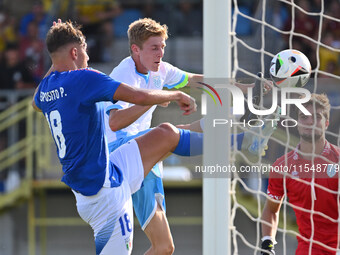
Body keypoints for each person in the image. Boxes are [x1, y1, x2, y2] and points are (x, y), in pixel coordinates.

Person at [104, 18, 277, 255]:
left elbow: (197, 80)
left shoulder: (160, 70)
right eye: (155, 48)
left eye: (163, 46)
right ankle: (244, 140)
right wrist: (159, 97)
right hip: (119, 156)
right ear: (136, 49)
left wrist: (246, 87)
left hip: (146, 159)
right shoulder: (123, 75)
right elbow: (114, 123)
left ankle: (229, 132)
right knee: (169, 132)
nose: (161, 53)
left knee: (164, 247)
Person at [32, 20, 205, 255]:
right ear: (74, 52)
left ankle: (232, 140)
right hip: (104, 195)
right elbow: (137, 97)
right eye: (84, 51)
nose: (87, 57)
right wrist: (174, 94)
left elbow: (35, 102)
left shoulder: (45, 90)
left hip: (109, 171)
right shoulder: (84, 78)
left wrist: (56, 58)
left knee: (166, 134)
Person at [261, 93, 339, 255]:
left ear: (326, 123)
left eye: (316, 117)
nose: (310, 122)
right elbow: (271, 209)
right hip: (308, 250)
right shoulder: (282, 167)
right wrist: (267, 243)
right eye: (304, 117)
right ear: (297, 123)